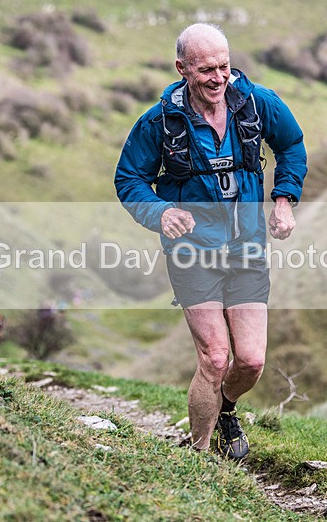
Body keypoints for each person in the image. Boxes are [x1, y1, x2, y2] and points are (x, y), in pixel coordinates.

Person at [115, 23, 307, 459]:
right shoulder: (159, 122)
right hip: (192, 254)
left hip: (247, 248)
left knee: (251, 361)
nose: (218, 78)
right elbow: (129, 179)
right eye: (205, 70)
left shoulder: (258, 103)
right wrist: (161, 212)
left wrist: (284, 199)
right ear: (182, 68)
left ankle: (226, 410)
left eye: (223, 65)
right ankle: (200, 458)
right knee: (215, 357)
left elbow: (292, 145)